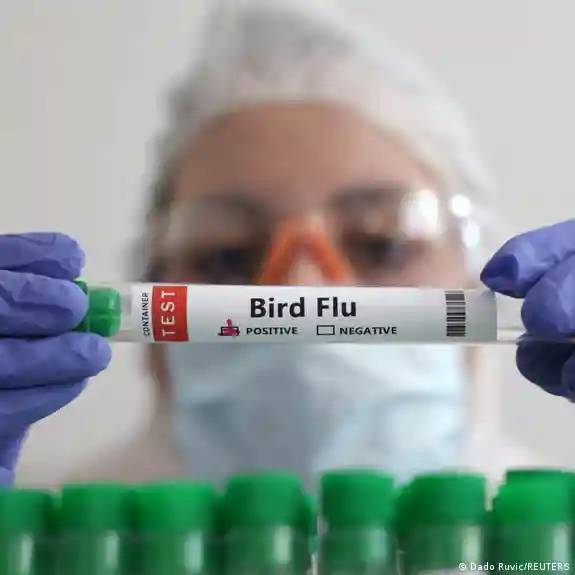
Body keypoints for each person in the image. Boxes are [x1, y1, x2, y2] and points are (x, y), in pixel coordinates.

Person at [0, 0, 572, 489]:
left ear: (473, 269)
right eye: (228, 256)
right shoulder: (38, 542)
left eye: (382, 244)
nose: (302, 291)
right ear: (154, 347)